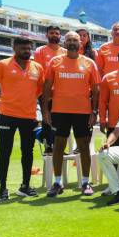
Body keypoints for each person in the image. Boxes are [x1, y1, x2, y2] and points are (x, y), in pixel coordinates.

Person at [42, 31, 100, 197]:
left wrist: (94, 111)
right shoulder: (55, 61)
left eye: (75, 40)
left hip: (82, 111)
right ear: (64, 43)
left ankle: (85, 182)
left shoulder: (89, 63)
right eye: (69, 40)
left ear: (80, 44)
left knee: (84, 147)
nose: (73, 42)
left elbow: (95, 90)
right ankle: (58, 182)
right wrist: (45, 110)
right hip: (60, 110)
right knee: (58, 145)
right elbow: (46, 87)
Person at [0, 38, 44, 200]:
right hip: (6, 116)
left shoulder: (37, 67)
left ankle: (25, 186)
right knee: (4, 152)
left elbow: (39, 91)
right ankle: (2, 188)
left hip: (29, 116)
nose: (27, 51)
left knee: (28, 152)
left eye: (29, 48)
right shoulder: (2, 65)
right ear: (14, 47)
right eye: (23, 48)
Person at [34, 25, 66, 155]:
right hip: (46, 93)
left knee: (61, 121)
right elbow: (39, 71)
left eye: (57, 33)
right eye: (52, 33)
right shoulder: (40, 51)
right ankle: (48, 146)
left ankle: (59, 147)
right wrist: (47, 91)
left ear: (60, 36)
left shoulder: (65, 52)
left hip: (62, 94)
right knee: (47, 119)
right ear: (47, 35)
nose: (54, 35)